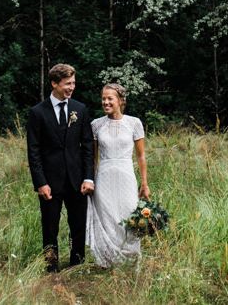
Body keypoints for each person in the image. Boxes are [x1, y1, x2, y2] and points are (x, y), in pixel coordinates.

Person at [26, 63, 95, 272]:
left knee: (78, 226)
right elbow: (33, 151)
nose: (71, 87)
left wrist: (88, 177)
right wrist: (40, 182)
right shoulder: (37, 113)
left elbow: (88, 146)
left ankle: (77, 264)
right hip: (50, 182)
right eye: (67, 83)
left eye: (73, 83)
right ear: (54, 83)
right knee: (49, 227)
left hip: (77, 180)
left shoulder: (80, 109)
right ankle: (51, 267)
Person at [86, 82, 150, 268]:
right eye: (103, 99)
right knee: (106, 217)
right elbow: (93, 159)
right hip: (104, 177)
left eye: (110, 98)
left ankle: (130, 260)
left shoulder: (134, 123)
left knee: (128, 213)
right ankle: (107, 261)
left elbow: (141, 156)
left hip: (126, 177)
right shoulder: (96, 125)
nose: (105, 102)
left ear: (121, 101)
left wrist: (144, 183)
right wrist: (90, 179)